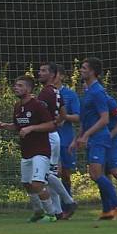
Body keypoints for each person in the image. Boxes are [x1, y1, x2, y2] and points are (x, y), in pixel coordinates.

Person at [0, 75, 58, 223]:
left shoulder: (37, 105)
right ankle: (38, 212)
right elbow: (18, 126)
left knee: (37, 183)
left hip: (40, 151)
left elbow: (51, 125)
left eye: (20, 86)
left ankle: (52, 214)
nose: (16, 88)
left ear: (29, 89)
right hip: (27, 151)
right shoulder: (18, 106)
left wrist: (31, 128)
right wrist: (4, 125)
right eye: (16, 85)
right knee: (27, 184)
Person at [69, 57, 117, 220]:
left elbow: (104, 119)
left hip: (99, 137)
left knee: (96, 174)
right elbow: (86, 120)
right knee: (96, 174)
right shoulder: (88, 91)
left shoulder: (98, 91)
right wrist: (76, 138)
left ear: (92, 72)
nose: (81, 70)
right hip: (93, 138)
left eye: (84, 68)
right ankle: (108, 210)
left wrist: (86, 135)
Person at [36, 62, 77, 219]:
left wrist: (51, 124)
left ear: (53, 75)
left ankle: (68, 201)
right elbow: (63, 113)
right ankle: (58, 212)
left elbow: (60, 115)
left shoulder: (46, 93)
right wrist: (57, 122)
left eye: (44, 71)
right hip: (52, 135)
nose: (40, 73)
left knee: (45, 175)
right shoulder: (55, 91)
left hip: (49, 136)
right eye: (40, 70)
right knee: (50, 174)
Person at [53, 64, 80, 205]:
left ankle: (67, 204)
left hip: (66, 139)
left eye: (55, 74)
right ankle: (57, 206)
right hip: (49, 139)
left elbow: (78, 117)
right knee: (53, 173)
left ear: (62, 76)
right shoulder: (45, 94)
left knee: (65, 174)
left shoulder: (70, 94)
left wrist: (64, 117)